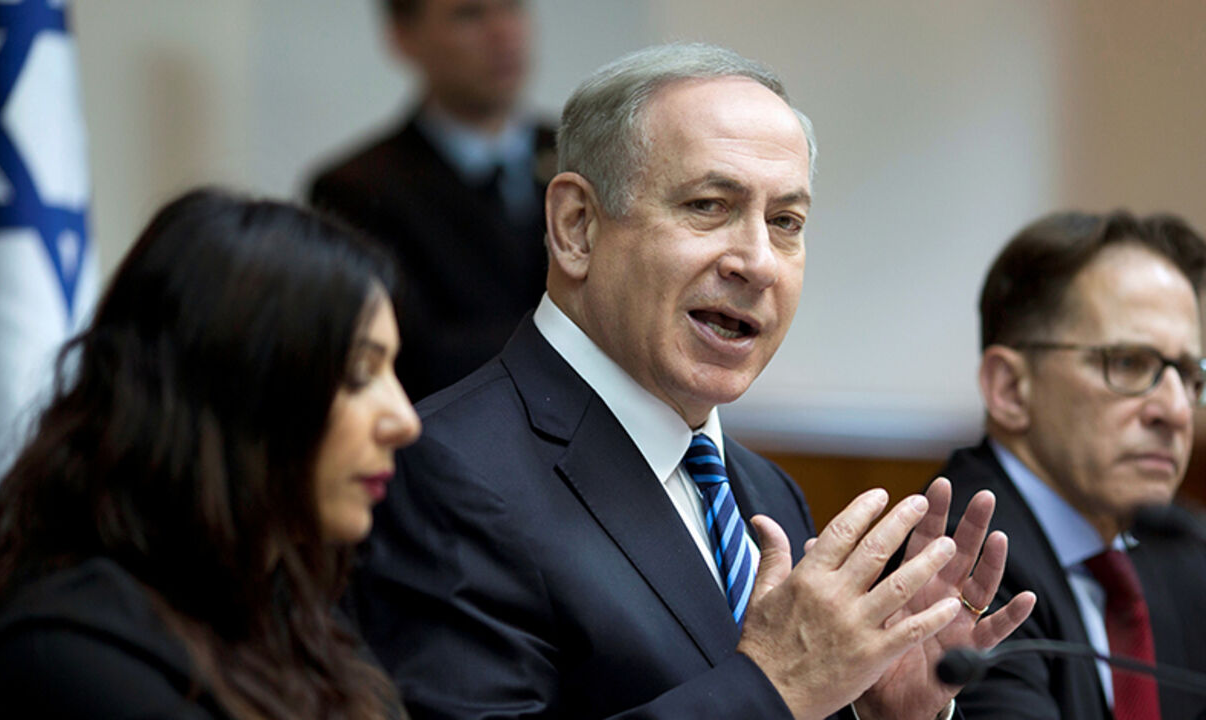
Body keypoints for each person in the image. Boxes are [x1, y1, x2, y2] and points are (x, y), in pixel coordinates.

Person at [355, 43, 1035, 720]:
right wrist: (775, 689)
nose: (758, 263)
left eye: (786, 223)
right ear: (577, 227)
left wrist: (875, 714)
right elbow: (770, 693)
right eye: (709, 206)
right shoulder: (443, 472)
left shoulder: (770, 494)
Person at [0, 189, 422, 719]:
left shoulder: (284, 606)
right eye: (358, 375)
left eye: (393, 371)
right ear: (237, 393)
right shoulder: (67, 652)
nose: (406, 421)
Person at [940, 211, 1206, 719]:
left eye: (1189, 375)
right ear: (1010, 389)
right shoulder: (955, 564)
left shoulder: (1180, 551)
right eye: (1128, 363)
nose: (1175, 411)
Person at [308, 0, 555, 401]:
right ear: (403, 37)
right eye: (469, 14)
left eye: (512, 7)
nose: (502, 33)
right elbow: (409, 357)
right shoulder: (356, 189)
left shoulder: (586, 160)